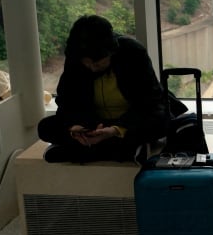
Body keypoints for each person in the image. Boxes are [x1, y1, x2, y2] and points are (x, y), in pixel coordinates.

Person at [38, 15, 169, 163]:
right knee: (45, 127)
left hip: (126, 123)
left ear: (111, 52)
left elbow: (150, 103)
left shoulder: (133, 53)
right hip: (95, 124)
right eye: (88, 64)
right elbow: (66, 102)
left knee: (159, 122)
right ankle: (127, 151)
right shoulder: (75, 60)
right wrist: (75, 126)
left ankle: (83, 152)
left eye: (98, 63)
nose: (93, 68)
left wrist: (115, 130)